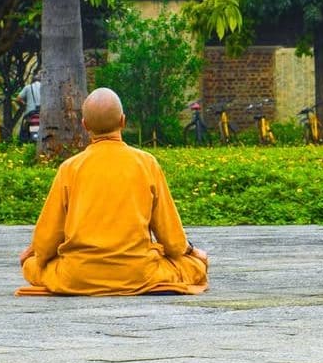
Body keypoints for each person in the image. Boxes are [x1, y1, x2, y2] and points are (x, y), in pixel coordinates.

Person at [16, 87, 208, 296]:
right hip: (138, 273)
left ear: (85, 125)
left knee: (32, 266)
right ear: (123, 121)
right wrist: (192, 253)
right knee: (195, 266)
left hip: (77, 276)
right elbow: (172, 239)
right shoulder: (146, 163)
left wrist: (35, 258)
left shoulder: (70, 168)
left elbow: (47, 237)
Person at [16, 73, 42, 143]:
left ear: (32, 80)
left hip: (30, 114)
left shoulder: (28, 87)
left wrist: (25, 104)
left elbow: (18, 99)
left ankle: (26, 142)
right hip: (42, 114)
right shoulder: (45, 87)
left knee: (25, 130)